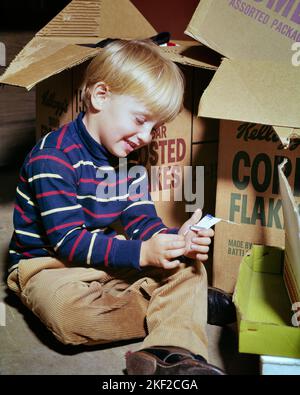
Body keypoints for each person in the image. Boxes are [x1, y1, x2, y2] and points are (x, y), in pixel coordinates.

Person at [6, 39, 235, 375]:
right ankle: (180, 308)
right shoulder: (52, 157)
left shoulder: (128, 158)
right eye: (139, 119)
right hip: (48, 265)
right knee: (67, 316)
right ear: (101, 96)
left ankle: (171, 352)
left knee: (190, 267)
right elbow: (67, 241)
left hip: (103, 258)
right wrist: (143, 255)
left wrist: (173, 240)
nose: (144, 136)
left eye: (153, 128)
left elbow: (139, 217)